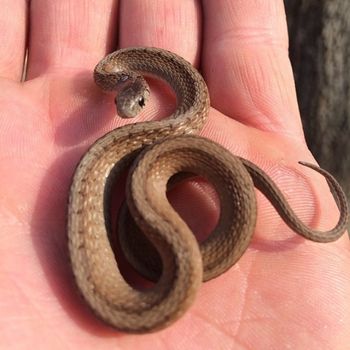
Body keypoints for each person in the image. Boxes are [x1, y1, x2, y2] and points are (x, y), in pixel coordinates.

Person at [0, 0, 348, 348]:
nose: (129, 113)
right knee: (138, 209)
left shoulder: (175, 99)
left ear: (144, 93)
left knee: (146, 194)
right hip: (126, 275)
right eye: (128, 105)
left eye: (136, 107)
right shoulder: (108, 74)